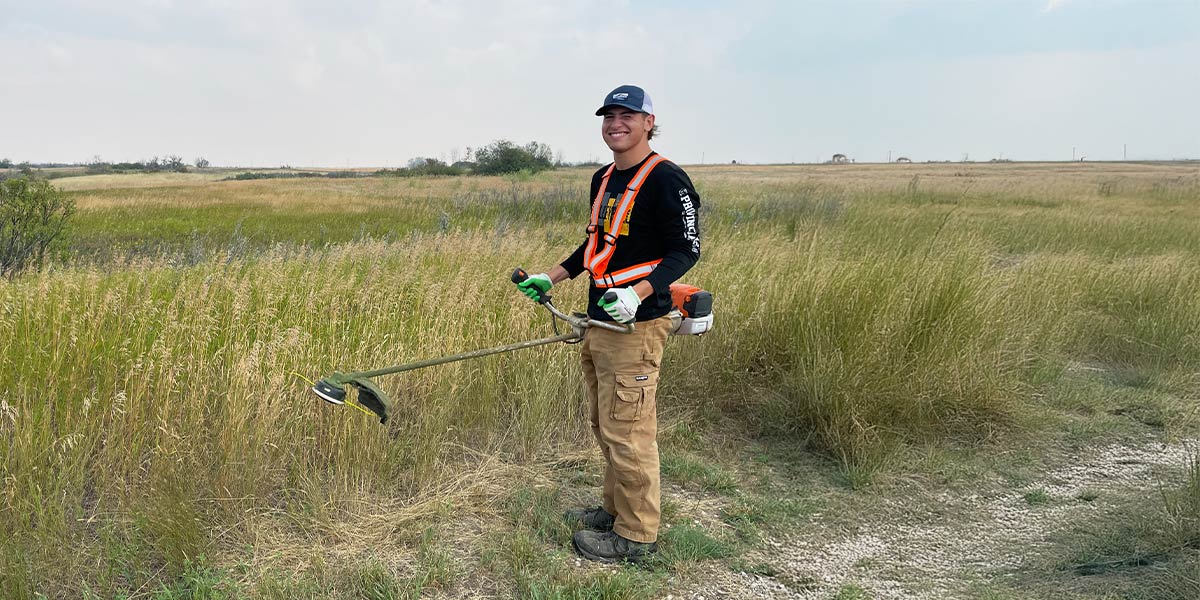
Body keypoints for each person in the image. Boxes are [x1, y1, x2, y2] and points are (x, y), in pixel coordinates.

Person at [515, 84, 701, 563]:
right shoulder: (603, 178)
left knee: (630, 429)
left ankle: (637, 536)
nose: (615, 124)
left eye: (627, 116)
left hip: (637, 326)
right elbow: (595, 247)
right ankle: (614, 510)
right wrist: (551, 276)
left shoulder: (667, 180)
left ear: (648, 123)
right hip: (600, 319)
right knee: (606, 423)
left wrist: (637, 294)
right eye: (608, 116)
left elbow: (686, 250)